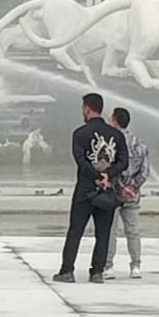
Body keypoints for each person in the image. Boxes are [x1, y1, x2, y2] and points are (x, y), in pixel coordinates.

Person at [53, 93, 127, 284]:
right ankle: (97, 272)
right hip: (107, 190)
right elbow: (124, 162)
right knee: (103, 234)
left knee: (75, 231)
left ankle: (67, 271)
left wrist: (95, 177)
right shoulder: (116, 135)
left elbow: (81, 162)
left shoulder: (80, 133)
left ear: (87, 108)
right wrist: (107, 175)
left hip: (85, 190)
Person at [109, 107, 149, 279]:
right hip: (133, 195)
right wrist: (133, 188)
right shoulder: (140, 144)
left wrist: (121, 188)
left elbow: (111, 168)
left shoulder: (112, 143)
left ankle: (108, 266)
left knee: (110, 231)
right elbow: (145, 172)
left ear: (115, 120)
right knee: (133, 231)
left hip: (114, 193)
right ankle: (136, 265)